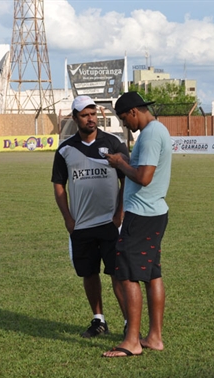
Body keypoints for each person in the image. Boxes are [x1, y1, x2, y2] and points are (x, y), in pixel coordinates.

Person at [51, 95, 130, 338]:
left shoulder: (114, 143)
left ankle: (130, 323)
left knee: (119, 273)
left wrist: (120, 213)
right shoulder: (65, 150)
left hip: (110, 223)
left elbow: (127, 178)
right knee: (89, 273)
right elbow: (58, 185)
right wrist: (68, 218)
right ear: (75, 118)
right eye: (85, 115)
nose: (91, 119)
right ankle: (99, 321)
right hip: (81, 225)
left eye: (93, 114)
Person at [102, 92, 172, 357]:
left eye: (123, 119)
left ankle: (131, 341)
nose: (124, 125)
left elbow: (144, 177)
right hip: (154, 213)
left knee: (127, 274)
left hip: (142, 216)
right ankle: (154, 337)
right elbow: (144, 171)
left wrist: (121, 162)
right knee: (153, 274)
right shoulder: (157, 131)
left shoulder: (151, 134)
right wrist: (126, 163)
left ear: (133, 112)